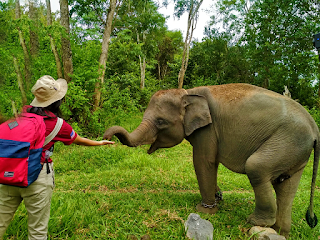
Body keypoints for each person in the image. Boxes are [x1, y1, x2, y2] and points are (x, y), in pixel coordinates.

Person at [0, 75, 114, 240]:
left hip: (7, 176)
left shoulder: (17, 119)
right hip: (37, 178)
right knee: (37, 231)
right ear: (57, 101)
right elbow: (79, 140)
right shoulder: (58, 124)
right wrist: (99, 142)